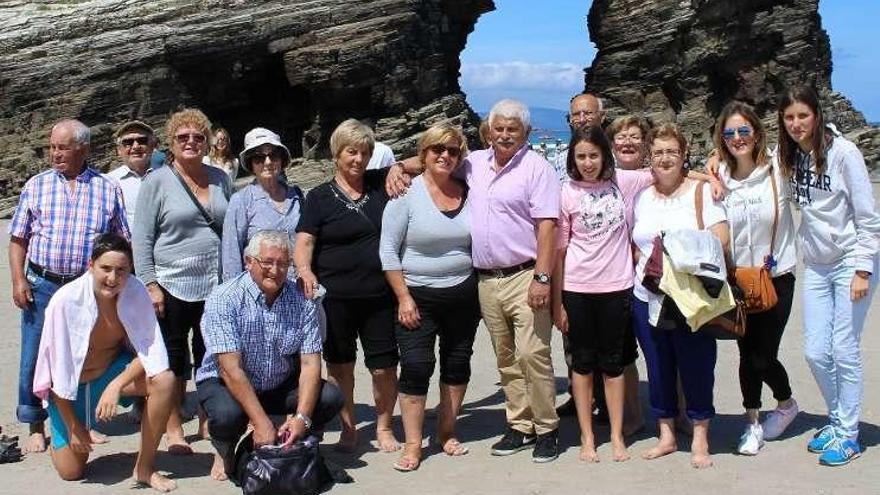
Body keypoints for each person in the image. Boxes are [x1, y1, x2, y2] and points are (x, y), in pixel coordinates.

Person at [9, 118, 130, 453]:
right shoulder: (37, 185)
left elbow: (121, 240)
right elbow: (18, 238)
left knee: (81, 354)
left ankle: (81, 423)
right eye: (52, 147)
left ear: (83, 149)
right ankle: (35, 422)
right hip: (42, 283)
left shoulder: (107, 188)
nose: (55, 153)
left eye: (62, 147)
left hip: (85, 288)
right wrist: (18, 279)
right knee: (35, 353)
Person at [777, 85, 880, 466]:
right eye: (789, 117)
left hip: (851, 262)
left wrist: (863, 270)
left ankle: (849, 433)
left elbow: (869, 219)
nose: (796, 124)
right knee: (815, 351)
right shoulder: (789, 155)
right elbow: (747, 166)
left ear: (817, 115)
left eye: (803, 115)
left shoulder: (843, 154)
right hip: (817, 265)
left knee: (844, 349)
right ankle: (837, 421)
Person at [33, 234, 176, 492]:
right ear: (91, 265)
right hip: (69, 391)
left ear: (130, 270)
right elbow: (57, 373)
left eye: (121, 270)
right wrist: (75, 427)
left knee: (164, 380)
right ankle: (61, 436)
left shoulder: (135, 293)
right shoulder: (65, 301)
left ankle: (144, 467)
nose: (112, 278)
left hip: (108, 374)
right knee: (71, 472)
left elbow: (151, 352)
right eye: (105, 269)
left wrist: (116, 385)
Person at [198, 230, 343, 481]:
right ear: (249, 262)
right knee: (226, 416)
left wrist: (302, 417)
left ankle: (294, 436)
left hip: (277, 381)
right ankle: (225, 449)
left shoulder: (302, 301)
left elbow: (310, 364)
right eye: (267, 262)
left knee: (330, 396)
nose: (275, 271)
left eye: (283, 263)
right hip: (228, 383)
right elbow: (230, 370)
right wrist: (261, 423)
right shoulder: (224, 299)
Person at [294, 119, 402, 452]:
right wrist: (303, 270)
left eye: (365, 152)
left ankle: (384, 427)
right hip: (335, 298)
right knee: (341, 366)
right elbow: (305, 240)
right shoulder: (318, 197)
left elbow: (421, 160)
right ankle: (349, 428)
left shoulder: (379, 183)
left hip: (379, 295)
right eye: (351, 152)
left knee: (384, 366)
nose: (358, 159)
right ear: (336, 154)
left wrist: (397, 165)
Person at [378, 124, 479, 471]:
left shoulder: (468, 189)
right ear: (423, 154)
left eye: (452, 150)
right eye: (437, 149)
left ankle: (446, 432)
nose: (444, 156)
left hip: (464, 294)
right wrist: (404, 297)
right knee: (417, 366)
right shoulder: (405, 194)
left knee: (457, 363)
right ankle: (412, 444)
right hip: (417, 295)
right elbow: (388, 252)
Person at [552, 125, 655, 463]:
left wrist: (711, 173)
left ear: (605, 156)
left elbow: (668, 171)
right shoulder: (565, 192)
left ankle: (615, 435)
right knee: (582, 366)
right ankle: (586, 438)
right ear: (572, 159)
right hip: (578, 290)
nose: (588, 163)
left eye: (593, 155)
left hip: (617, 287)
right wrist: (557, 304)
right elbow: (560, 252)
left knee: (612, 365)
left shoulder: (622, 183)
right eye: (581, 157)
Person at [133, 108, 233, 454]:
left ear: (208, 141)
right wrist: (149, 283)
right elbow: (142, 237)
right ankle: (174, 428)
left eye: (198, 137)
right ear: (171, 143)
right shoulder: (156, 181)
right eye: (182, 137)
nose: (191, 142)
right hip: (170, 283)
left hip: (216, 283)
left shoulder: (221, 178)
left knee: (211, 352)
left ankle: (207, 417)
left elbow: (231, 229)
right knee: (173, 360)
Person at [631, 122, 730, 469]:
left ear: (684, 153)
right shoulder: (643, 196)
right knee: (658, 367)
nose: (664, 158)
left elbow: (720, 238)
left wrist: (678, 252)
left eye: (671, 151)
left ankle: (700, 435)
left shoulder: (701, 192)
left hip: (691, 298)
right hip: (647, 296)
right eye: (658, 152)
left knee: (697, 365)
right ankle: (667, 434)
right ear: (649, 157)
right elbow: (634, 243)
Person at [711, 101, 800, 455]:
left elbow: (814, 145)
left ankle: (786, 403)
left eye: (744, 131)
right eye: (729, 133)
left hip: (776, 276)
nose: (737, 138)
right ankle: (752, 423)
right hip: (737, 280)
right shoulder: (720, 174)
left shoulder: (780, 169)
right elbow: (686, 178)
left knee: (761, 356)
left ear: (757, 132)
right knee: (747, 355)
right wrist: (707, 172)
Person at [222, 127, 303, 280]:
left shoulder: (297, 195)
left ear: (281, 159)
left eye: (274, 155)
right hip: (261, 292)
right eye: (259, 157)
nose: (268, 162)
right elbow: (231, 254)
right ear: (250, 163)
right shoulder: (241, 201)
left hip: (297, 289)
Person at [107, 120, 161, 228]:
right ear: (119, 150)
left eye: (142, 140)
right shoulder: (109, 182)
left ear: (153, 146)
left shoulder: (169, 176)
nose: (135, 146)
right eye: (128, 142)